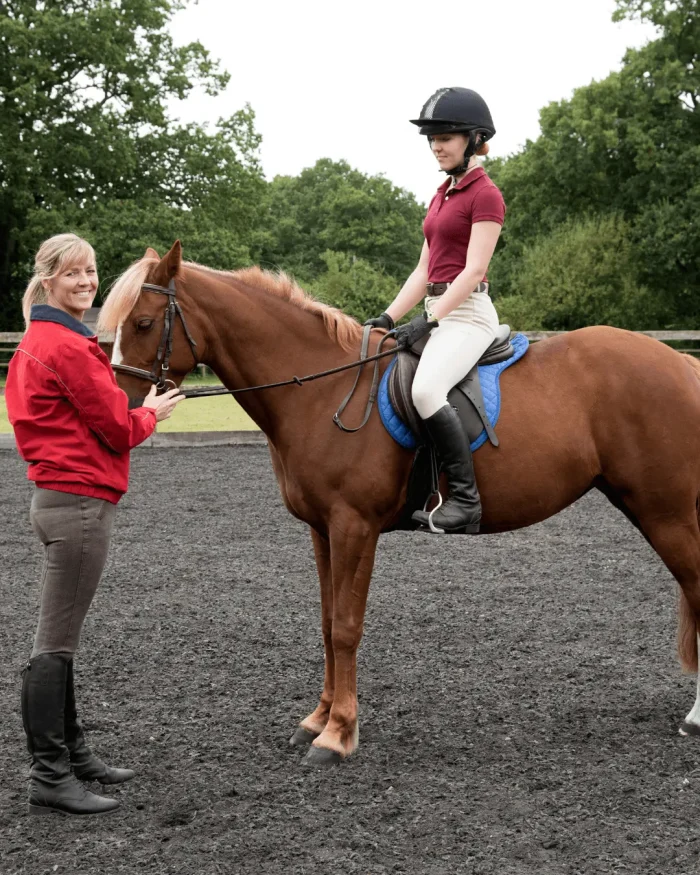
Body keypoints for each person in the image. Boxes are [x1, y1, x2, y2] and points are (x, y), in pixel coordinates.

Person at [6, 233, 184, 816]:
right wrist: (151, 412)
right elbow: (117, 428)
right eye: (74, 273)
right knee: (53, 643)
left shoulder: (38, 340)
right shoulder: (67, 347)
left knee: (63, 637)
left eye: (91, 272)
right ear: (49, 279)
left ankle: (75, 754)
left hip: (58, 499)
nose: (86, 281)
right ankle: (49, 775)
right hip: (78, 505)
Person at [365, 87, 505, 535]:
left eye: (445, 136)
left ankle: (465, 499)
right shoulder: (441, 194)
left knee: (426, 391)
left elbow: (473, 271)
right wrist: (387, 318)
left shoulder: (486, 196)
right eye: (432, 138)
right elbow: (424, 269)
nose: (436, 146)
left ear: (473, 138)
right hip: (440, 311)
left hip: (468, 315)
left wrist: (429, 319)